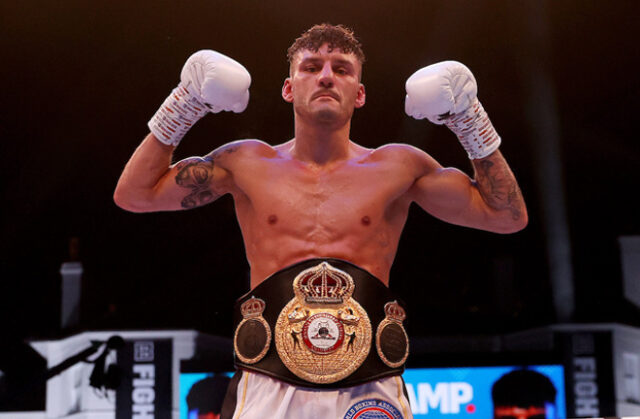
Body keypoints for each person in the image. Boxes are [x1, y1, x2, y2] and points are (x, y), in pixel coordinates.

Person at [114, 24, 527, 419]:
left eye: (341, 69)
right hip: (268, 382)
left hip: (370, 385)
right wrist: (184, 105)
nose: (326, 77)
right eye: (312, 67)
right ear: (289, 88)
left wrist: (470, 120)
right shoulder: (246, 163)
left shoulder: (400, 167)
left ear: (360, 93)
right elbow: (135, 194)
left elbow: (505, 216)